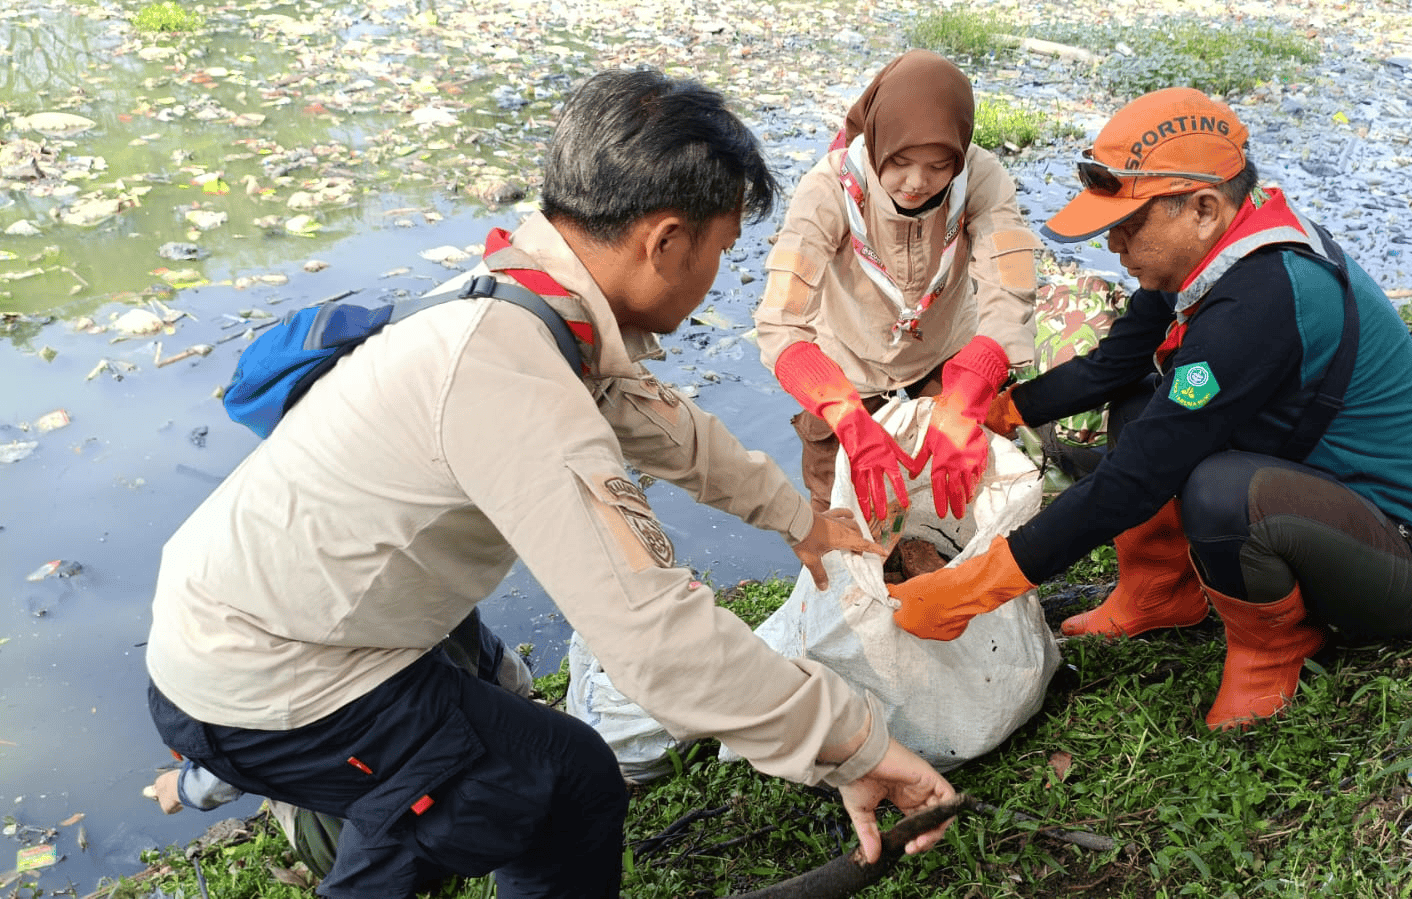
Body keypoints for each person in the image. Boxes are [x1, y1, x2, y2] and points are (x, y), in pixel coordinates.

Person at [145, 68, 956, 899]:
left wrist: (798, 519)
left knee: (499, 715)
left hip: (277, 615)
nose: (718, 271)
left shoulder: (524, 298)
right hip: (263, 677)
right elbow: (656, 639)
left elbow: (658, 421)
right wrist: (854, 744)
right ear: (665, 241)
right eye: (721, 250)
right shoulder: (509, 376)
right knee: (563, 779)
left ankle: (386, 807)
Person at [885, 87, 1412, 730]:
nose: (1114, 245)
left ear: (1201, 208)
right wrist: (999, 411)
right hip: (1326, 499)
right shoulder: (1218, 251)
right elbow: (1115, 365)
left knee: (1219, 491)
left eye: (1129, 224)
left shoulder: (1260, 301)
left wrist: (972, 588)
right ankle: (1160, 591)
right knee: (1140, 401)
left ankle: (1272, 649)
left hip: (1411, 562)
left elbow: (1137, 478)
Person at [755, 49, 1043, 523]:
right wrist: (844, 414)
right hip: (847, 357)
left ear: (960, 154)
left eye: (939, 165)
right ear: (876, 143)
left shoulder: (982, 178)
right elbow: (780, 322)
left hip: (943, 345)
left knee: (965, 465)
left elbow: (1009, 288)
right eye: (901, 161)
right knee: (836, 491)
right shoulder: (828, 190)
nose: (916, 183)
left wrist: (972, 388)